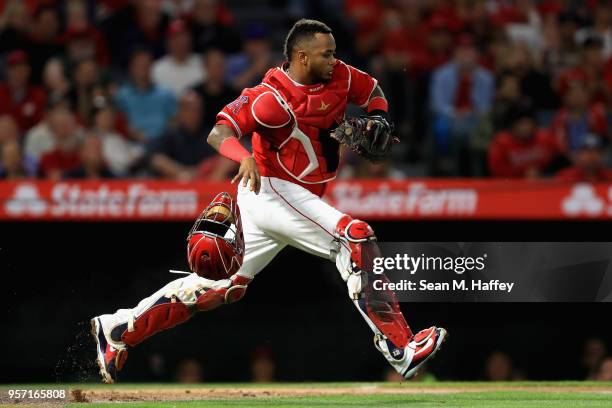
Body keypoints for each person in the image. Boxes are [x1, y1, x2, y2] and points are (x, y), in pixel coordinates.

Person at [91, 19, 446, 384]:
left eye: (334, 52)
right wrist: (241, 155)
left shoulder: (340, 75)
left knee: (220, 287)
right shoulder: (268, 98)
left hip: (293, 197)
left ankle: (119, 328)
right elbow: (219, 131)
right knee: (355, 238)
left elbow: (373, 90)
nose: (334, 59)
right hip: (271, 188)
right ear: (302, 56)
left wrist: (378, 116)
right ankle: (400, 347)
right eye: (327, 53)